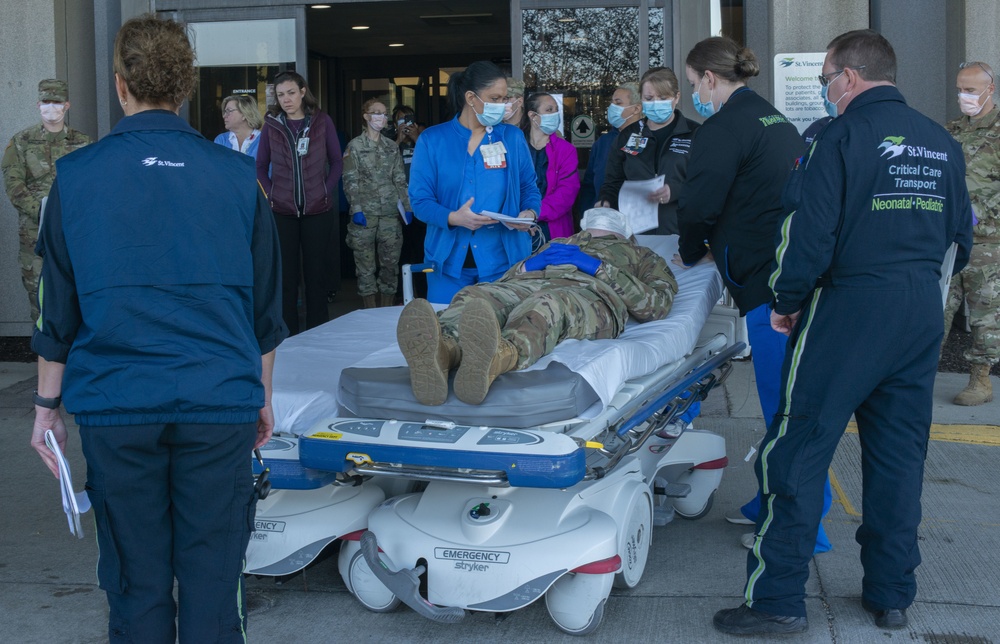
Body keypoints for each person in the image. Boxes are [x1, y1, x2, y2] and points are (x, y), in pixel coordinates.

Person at [30, 14, 287, 643]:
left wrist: (45, 406)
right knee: (213, 579)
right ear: (186, 86)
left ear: (120, 86)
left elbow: (55, 310)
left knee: (135, 581)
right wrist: (262, 398)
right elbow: (266, 313)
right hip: (218, 399)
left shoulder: (74, 178)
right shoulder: (237, 177)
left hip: (118, 403)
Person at [713, 30, 973, 635]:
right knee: (899, 460)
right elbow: (962, 238)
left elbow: (805, 231)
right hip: (917, 315)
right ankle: (891, 595)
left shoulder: (838, 136)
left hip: (848, 306)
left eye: (826, 78)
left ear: (848, 78)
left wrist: (787, 300)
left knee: (797, 452)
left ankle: (776, 598)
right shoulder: (940, 141)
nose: (825, 90)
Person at [396, 207, 677, 405]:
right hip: (529, 283)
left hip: (587, 294)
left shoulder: (643, 256)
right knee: (477, 296)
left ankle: (497, 357)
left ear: (626, 235)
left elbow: (657, 305)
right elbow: (506, 280)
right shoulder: (559, 242)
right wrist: (530, 264)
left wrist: (599, 268)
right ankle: (443, 351)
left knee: (545, 306)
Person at [408, 60, 541, 304]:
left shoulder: (511, 137)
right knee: (447, 335)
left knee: (500, 337)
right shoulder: (432, 140)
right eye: (496, 98)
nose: (504, 105)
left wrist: (530, 212)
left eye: (505, 99)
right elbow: (420, 201)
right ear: (471, 98)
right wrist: (453, 218)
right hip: (448, 263)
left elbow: (528, 187)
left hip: (504, 262)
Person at [257, 70, 343, 335]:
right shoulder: (272, 125)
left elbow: (337, 161)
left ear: (303, 92)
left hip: (318, 210)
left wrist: (325, 191)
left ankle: (318, 333)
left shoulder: (321, 122)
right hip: (282, 212)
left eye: (291, 93)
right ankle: (289, 336)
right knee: (286, 279)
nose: (286, 99)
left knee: (316, 276)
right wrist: (272, 195)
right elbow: (260, 167)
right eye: (281, 95)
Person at [2, 79, 91, 323]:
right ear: (38, 105)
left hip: (72, 233)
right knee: (38, 298)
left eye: (57, 102)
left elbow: (91, 188)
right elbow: (14, 186)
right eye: (46, 102)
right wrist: (44, 210)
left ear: (67, 105)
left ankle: (73, 358)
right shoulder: (21, 142)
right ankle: (43, 356)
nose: (51, 107)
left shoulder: (83, 143)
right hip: (35, 234)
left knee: (76, 294)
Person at [944, 61, 1000, 405]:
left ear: (989, 90)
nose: (963, 96)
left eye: (970, 90)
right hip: (949, 239)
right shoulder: (949, 130)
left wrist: (984, 213)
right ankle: (918, 376)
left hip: (989, 243)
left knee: (985, 316)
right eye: (960, 89)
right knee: (936, 310)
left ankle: (980, 380)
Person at [598, 67, 699, 235]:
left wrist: (674, 191)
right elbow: (613, 180)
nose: (655, 103)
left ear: (676, 98)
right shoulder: (628, 135)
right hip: (635, 233)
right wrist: (606, 200)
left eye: (663, 97)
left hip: (680, 232)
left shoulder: (695, 133)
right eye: (649, 98)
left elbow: (706, 183)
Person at [343, 98, 412, 308]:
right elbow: (349, 180)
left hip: (390, 213)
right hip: (365, 213)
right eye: (376, 113)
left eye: (383, 114)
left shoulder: (391, 146)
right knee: (365, 265)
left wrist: (407, 207)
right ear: (366, 116)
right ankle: (369, 309)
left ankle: (386, 309)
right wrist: (356, 209)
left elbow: (399, 179)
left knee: (390, 264)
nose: (381, 118)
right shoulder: (354, 146)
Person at [522, 92, 580, 240]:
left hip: (553, 229)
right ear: (533, 116)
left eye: (556, 110)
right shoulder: (516, 146)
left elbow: (567, 191)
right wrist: (520, 215)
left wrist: (534, 213)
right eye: (549, 110)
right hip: (519, 226)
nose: (555, 114)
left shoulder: (566, 150)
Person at [580, 82, 641, 212]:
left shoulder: (646, 138)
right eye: (612, 103)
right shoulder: (603, 142)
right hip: (603, 219)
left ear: (636, 109)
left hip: (637, 218)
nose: (612, 107)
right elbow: (589, 185)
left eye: (618, 103)